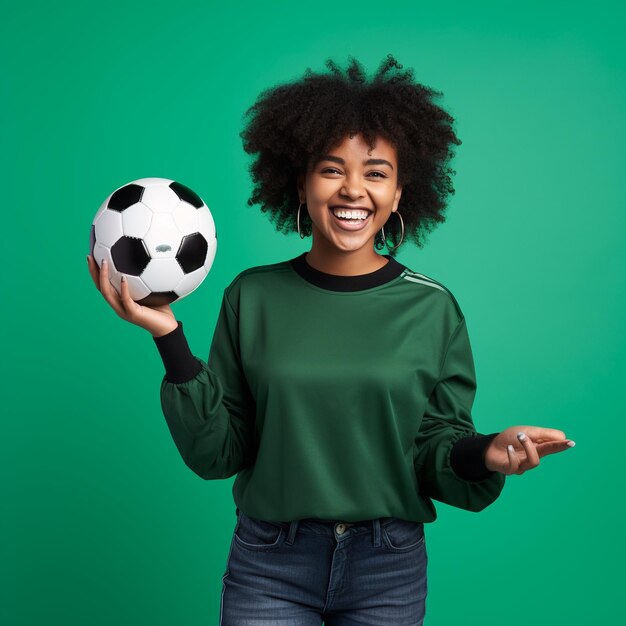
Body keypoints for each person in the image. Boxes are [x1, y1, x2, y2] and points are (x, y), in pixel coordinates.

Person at [87, 54, 575, 626]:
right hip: (269, 563)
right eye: (331, 168)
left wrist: (485, 451)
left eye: (376, 172)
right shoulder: (253, 297)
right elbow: (219, 453)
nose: (353, 190)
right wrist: (169, 337)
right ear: (300, 183)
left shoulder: (432, 308)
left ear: (398, 194)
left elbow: (434, 449)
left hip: (386, 566)